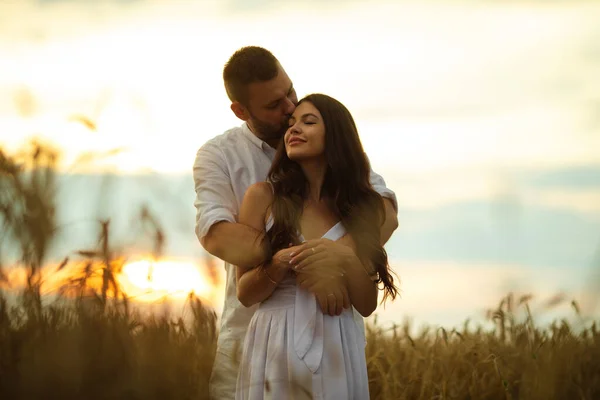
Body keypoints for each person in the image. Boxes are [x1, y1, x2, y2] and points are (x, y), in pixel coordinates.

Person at [193, 46, 398, 399]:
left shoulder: (341, 161)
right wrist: (304, 262)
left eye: (290, 91)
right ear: (241, 111)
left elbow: (385, 215)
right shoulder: (221, 156)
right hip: (254, 333)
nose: (290, 108)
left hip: (334, 331)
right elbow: (217, 234)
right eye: (275, 106)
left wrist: (334, 261)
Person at [234, 93, 399, 399]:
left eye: (308, 122)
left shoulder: (360, 207)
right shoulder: (262, 197)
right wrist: (280, 262)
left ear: (336, 134)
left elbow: (365, 304)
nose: (293, 129)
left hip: (338, 335)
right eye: (291, 123)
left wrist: (343, 258)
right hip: (275, 336)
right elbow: (244, 292)